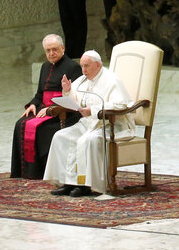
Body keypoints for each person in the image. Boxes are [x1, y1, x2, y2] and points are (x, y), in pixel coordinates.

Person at [43, 50, 135, 197]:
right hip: (88, 123)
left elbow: (121, 104)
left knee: (87, 140)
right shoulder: (83, 80)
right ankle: (68, 182)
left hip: (111, 125)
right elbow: (76, 100)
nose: (83, 70)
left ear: (98, 65)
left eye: (87, 66)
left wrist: (93, 110)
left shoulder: (111, 80)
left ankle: (86, 185)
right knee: (61, 136)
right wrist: (67, 92)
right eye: (82, 66)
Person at [10, 34, 83, 179]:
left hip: (63, 112)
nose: (51, 53)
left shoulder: (73, 67)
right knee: (20, 124)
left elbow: (74, 97)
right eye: (48, 50)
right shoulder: (44, 66)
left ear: (62, 48)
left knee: (43, 129)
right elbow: (39, 93)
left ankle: (43, 171)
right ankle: (26, 172)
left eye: (54, 49)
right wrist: (32, 104)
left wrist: (51, 108)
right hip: (43, 109)